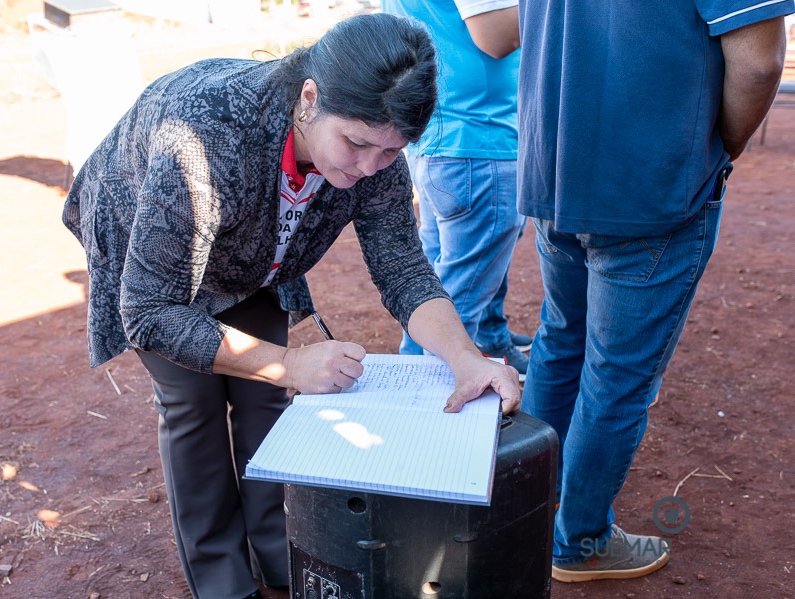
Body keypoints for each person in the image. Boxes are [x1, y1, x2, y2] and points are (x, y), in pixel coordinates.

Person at [62, 13, 521, 599]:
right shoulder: (208, 138)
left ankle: (285, 555)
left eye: (390, 153)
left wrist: (465, 358)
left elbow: (404, 272)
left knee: (263, 400)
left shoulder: (374, 143)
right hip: (157, 250)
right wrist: (288, 363)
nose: (367, 168)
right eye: (356, 144)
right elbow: (151, 313)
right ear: (309, 99)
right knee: (194, 404)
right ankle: (222, 580)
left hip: (253, 252)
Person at [516, 0, 792, 583]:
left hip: (553, 165)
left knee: (561, 340)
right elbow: (760, 63)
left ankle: (527, 511)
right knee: (616, 377)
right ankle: (580, 541)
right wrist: (723, 146)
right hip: (649, 184)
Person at [381, 0, 533, 379]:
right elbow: (496, 36)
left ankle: (468, 348)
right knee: (459, 296)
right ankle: (427, 386)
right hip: (476, 137)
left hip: (443, 134)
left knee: (436, 279)